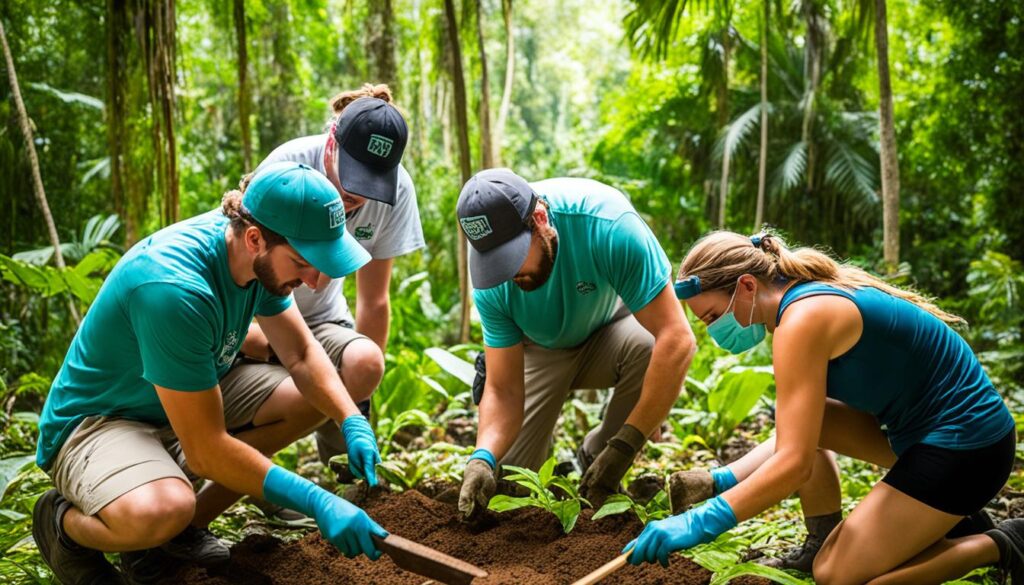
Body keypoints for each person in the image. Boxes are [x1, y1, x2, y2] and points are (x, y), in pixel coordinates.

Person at [32, 163, 388, 585]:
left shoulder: (255, 254)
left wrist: (350, 420)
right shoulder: (173, 288)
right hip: (100, 421)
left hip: (178, 402)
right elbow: (205, 449)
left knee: (315, 396)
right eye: (303, 263)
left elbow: (301, 353)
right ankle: (62, 526)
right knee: (162, 509)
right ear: (255, 239)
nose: (315, 281)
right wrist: (317, 502)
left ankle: (173, 537)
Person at [626, 230, 1023, 585]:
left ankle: (1000, 542)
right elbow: (798, 435)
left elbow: (794, 464)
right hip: (919, 437)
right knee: (800, 424)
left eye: (713, 316)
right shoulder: (800, 299)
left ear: (747, 285)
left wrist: (700, 522)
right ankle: (845, 537)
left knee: (837, 576)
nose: (715, 331)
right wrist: (723, 482)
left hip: (968, 451)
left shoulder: (802, 320)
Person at [454, 168, 697, 520]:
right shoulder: (491, 274)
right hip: (536, 349)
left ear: (539, 219)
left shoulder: (609, 225)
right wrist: (482, 458)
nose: (507, 274)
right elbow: (504, 390)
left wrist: (626, 445)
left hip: (608, 332)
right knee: (511, 489)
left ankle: (598, 453)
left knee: (650, 345)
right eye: (496, 264)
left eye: (513, 257)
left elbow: (677, 338)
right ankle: (539, 460)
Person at [230, 85, 423, 476]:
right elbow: (241, 266)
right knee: (293, 386)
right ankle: (245, 478)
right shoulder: (287, 166)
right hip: (258, 318)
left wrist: (359, 410)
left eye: (371, 183)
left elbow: (374, 300)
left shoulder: (397, 191)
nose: (356, 194)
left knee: (365, 363)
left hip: (322, 320)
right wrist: (269, 345)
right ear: (331, 142)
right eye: (353, 176)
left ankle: (347, 474)